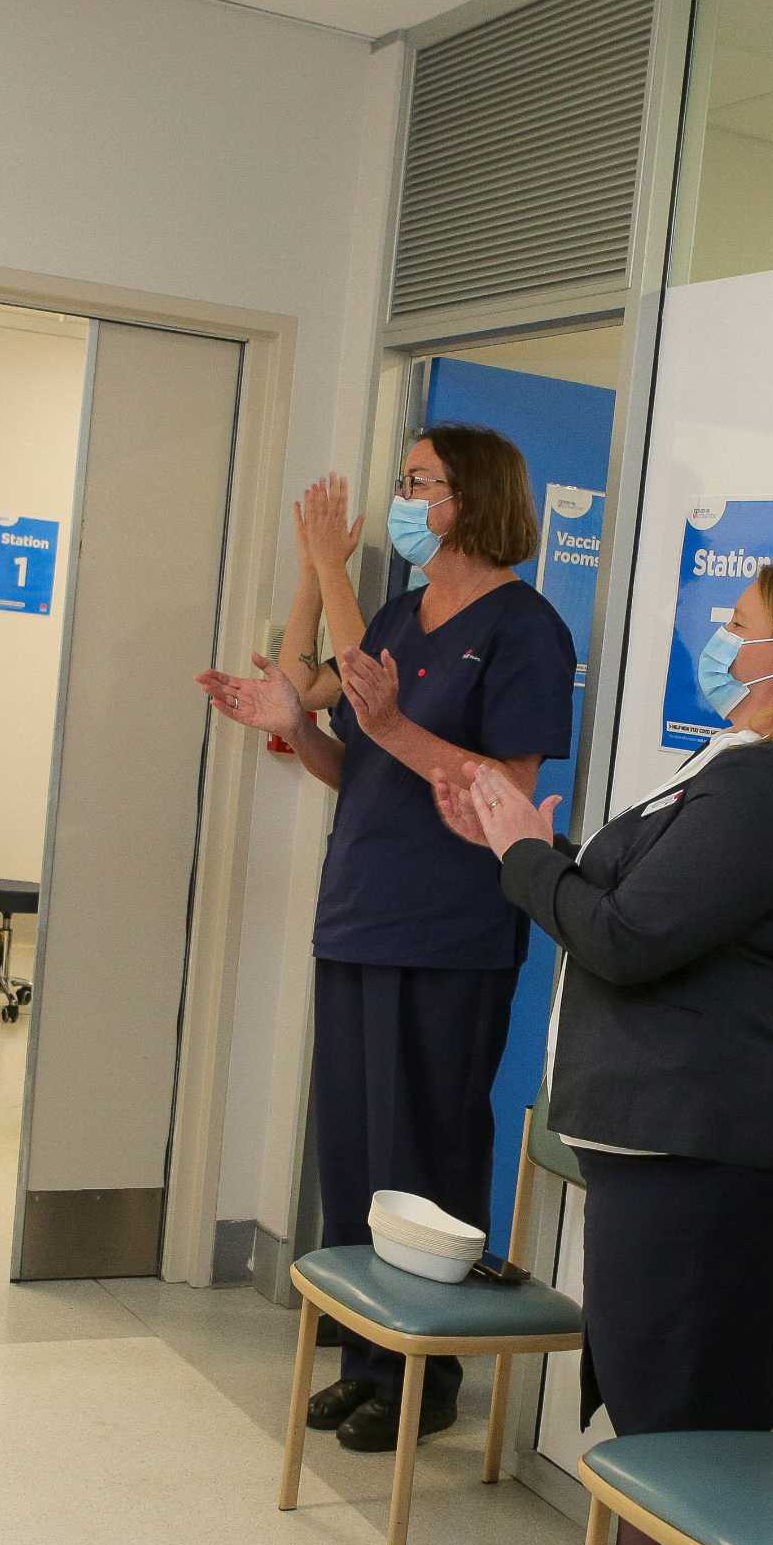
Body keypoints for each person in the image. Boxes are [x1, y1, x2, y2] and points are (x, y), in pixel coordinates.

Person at [441, 561, 773, 1545]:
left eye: (742, 627)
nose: (721, 639)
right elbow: (627, 907)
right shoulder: (731, 770)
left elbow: (626, 938)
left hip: (706, 1141)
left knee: (679, 1394)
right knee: (658, 1377)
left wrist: (527, 856)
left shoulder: (772, 784)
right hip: (668, 1133)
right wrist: (520, 846)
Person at [197, 428, 577, 1451]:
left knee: (429, 1147)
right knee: (359, 1148)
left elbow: (504, 789)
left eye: (417, 484)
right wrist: (298, 724)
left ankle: (426, 1368)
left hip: (451, 924)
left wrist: (391, 720)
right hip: (361, 906)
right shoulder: (408, 611)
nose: (401, 501)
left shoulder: (526, 628)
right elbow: (355, 764)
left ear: (473, 497)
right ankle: (367, 1354)